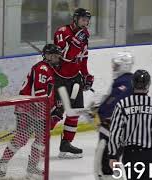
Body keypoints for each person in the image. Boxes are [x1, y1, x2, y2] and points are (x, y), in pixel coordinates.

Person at [0, 44, 62, 178]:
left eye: (58, 56)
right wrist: (49, 111)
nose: (58, 58)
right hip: (27, 106)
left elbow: (47, 95)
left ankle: (32, 168)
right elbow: (39, 93)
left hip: (39, 107)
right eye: (55, 56)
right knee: (22, 137)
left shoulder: (49, 69)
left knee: (42, 139)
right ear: (49, 56)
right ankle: (2, 163)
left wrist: (53, 108)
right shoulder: (42, 68)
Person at [108, 70, 152, 180]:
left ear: (132, 83)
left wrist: (113, 156)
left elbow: (115, 132)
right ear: (148, 84)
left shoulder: (122, 105)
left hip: (132, 156)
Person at [53, 8, 94, 158]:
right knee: (55, 114)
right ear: (75, 19)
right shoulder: (62, 32)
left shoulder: (84, 37)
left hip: (75, 78)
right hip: (59, 78)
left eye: (87, 20)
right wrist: (77, 40)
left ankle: (65, 144)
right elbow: (65, 57)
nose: (85, 23)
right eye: (83, 19)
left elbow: (82, 59)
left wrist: (86, 75)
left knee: (75, 112)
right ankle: (40, 142)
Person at [94, 52, 134, 180]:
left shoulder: (124, 82)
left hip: (114, 129)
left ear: (125, 66)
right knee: (113, 160)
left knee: (108, 162)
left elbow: (113, 103)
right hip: (124, 128)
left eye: (117, 65)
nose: (114, 68)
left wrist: (100, 111)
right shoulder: (128, 80)